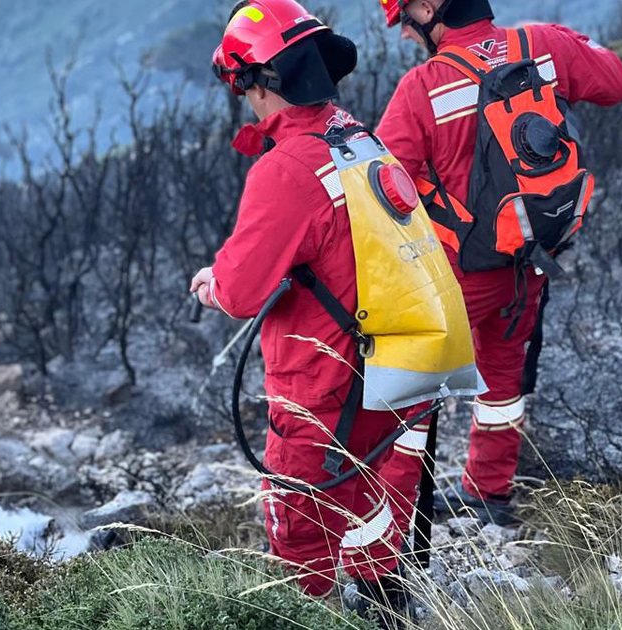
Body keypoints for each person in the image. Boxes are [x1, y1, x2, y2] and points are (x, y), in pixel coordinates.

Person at [192, 1, 479, 625]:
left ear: (256, 81)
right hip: (401, 370)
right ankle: (386, 611)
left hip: (324, 391)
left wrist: (210, 283)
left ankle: (313, 618)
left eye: (242, 85)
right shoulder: (357, 137)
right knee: (382, 509)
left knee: (300, 534)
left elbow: (240, 292)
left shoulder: (286, 170)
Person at [375, 0, 622, 525]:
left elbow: (384, 191)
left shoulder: (422, 88)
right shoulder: (541, 47)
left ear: (429, 9)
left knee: (411, 393)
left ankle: (396, 516)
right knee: (502, 379)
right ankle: (490, 496)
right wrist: (564, 42)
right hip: (528, 259)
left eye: (405, 20)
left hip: (456, 273)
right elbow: (617, 82)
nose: (405, 35)